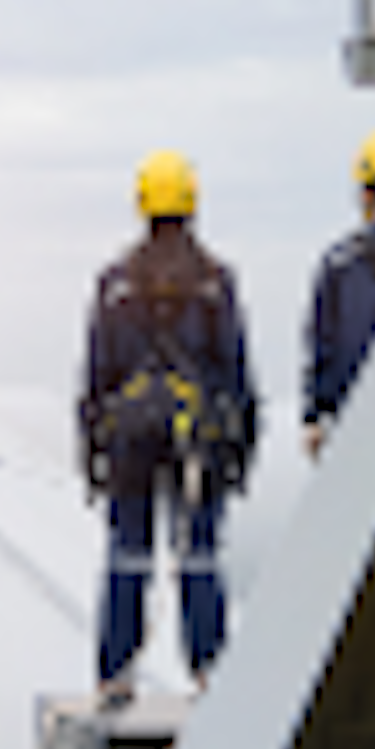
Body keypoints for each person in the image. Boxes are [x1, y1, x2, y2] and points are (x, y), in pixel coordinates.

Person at [81, 150, 257, 703]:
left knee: (128, 554)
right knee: (199, 553)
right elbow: (233, 368)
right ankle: (209, 670)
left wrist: (91, 448)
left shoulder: (115, 284)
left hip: (131, 439)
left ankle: (115, 674)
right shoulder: (213, 282)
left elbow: (97, 372)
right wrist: (241, 447)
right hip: (196, 443)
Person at [301, 129, 375, 457]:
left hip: (354, 425)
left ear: (365, 194)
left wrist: (315, 416)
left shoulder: (339, 263)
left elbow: (322, 344)